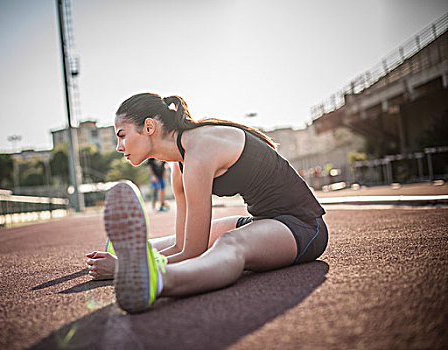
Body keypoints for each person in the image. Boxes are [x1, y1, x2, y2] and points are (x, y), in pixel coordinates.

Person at [86, 93, 328, 313]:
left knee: (229, 242)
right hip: (263, 221)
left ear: (149, 126)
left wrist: (121, 269)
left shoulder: (200, 150)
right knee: (188, 236)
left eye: (122, 136)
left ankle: (154, 279)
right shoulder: (178, 167)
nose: (119, 147)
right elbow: (183, 244)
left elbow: (194, 251)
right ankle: (124, 251)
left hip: (304, 227)